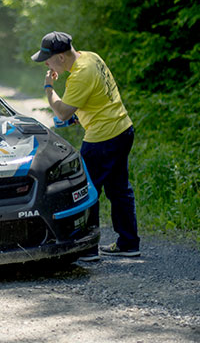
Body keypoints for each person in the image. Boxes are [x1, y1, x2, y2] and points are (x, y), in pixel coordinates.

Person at [31, 31, 140, 258]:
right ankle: (129, 243)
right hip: (122, 129)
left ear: (61, 58)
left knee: (85, 192)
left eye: (48, 59)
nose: (47, 64)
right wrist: (78, 115)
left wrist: (48, 88)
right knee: (119, 190)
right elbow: (98, 96)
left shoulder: (80, 74)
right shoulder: (91, 57)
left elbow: (61, 113)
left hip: (103, 138)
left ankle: (87, 248)